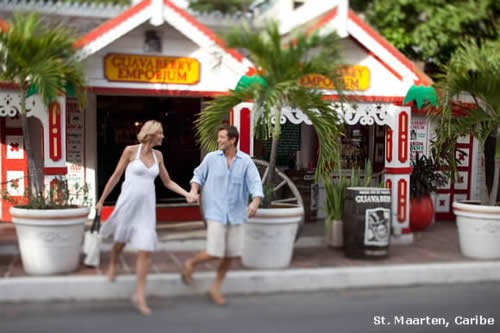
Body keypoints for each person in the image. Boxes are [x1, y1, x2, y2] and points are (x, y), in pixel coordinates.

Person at [96, 120, 198, 316]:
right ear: (151, 134)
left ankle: (139, 295)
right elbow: (116, 176)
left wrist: (186, 194)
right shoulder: (130, 151)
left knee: (146, 249)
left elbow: (167, 182)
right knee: (120, 241)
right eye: (160, 133)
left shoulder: (158, 155)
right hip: (127, 204)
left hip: (146, 210)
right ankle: (114, 261)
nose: (163, 136)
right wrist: (101, 200)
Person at [181, 124, 263, 305]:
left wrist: (255, 202)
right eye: (219, 137)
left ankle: (215, 288)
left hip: (236, 214)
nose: (218, 140)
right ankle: (191, 263)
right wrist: (194, 191)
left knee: (231, 254)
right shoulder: (211, 158)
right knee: (215, 252)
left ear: (232, 140)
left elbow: (255, 183)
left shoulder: (246, 161)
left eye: (222, 137)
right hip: (215, 212)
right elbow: (197, 176)